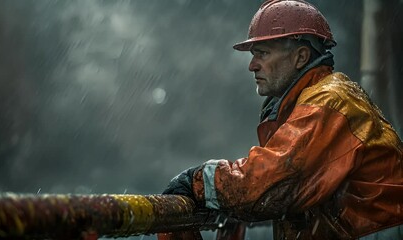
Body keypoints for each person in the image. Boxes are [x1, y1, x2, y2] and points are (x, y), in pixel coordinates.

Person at [160, 0, 403, 239]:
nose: (252, 66)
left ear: (301, 57)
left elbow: (274, 181)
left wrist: (199, 181)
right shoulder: (310, 101)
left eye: (262, 54)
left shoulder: (329, 102)